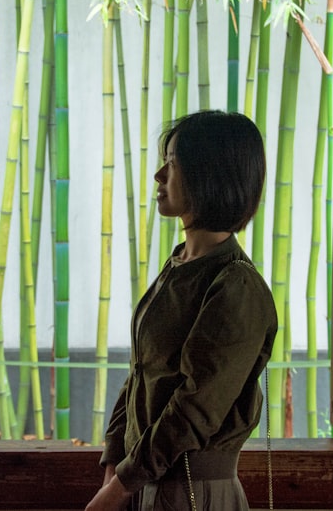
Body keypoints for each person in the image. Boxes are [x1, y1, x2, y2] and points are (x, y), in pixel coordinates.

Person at [86, 110, 278, 511]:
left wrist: (118, 485)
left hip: (190, 492)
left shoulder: (235, 285)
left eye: (171, 163)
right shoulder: (179, 266)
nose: (159, 175)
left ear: (208, 174)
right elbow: (141, 373)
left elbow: (195, 408)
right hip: (143, 483)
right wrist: (114, 463)